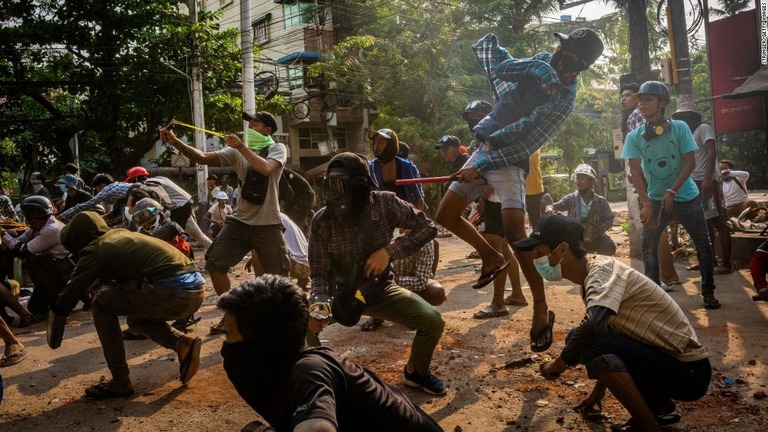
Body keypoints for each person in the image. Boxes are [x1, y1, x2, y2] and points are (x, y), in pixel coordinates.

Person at [435, 28, 604, 352]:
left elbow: (527, 141)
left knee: (517, 236)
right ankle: (490, 256)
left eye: (566, 50)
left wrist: (480, 168)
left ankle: (540, 305)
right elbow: (501, 69)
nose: (558, 51)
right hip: (483, 147)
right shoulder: (542, 62)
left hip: (511, 159)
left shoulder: (564, 99)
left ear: (578, 63)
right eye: (560, 45)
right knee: (445, 215)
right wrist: (539, 69)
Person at [515, 215, 710, 432]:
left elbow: (592, 331)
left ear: (562, 250)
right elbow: (612, 341)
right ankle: (657, 406)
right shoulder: (593, 274)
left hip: (689, 372)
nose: (538, 262)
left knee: (584, 338)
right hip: (676, 366)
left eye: (540, 254)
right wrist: (597, 394)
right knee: (588, 338)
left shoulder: (601, 273)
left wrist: (558, 364)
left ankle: (650, 427)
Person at [218, 275, 444, 431]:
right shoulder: (293, 366)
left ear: (261, 344)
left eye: (229, 335)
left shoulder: (310, 370)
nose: (225, 347)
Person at [308, 152, 446, 396]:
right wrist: (319, 304)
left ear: (360, 186)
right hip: (337, 295)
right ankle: (316, 379)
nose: (333, 194)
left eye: (339, 185)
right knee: (300, 324)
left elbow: (428, 227)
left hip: (379, 290)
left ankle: (416, 372)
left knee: (432, 320)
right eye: (329, 185)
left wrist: (388, 252)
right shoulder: (322, 220)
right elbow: (318, 273)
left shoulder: (386, 204)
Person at [48, 212, 205, 399]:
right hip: (195, 291)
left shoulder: (97, 248)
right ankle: (182, 344)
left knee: (101, 304)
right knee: (136, 320)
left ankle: (120, 380)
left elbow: (67, 298)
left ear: (78, 240)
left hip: (173, 292)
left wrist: (55, 315)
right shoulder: (121, 235)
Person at [160, 111, 290, 334]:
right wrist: (175, 141)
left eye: (256, 124)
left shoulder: (277, 149)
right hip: (239, 221)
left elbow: (266, 168)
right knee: (214, 263)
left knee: (277, 277)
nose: (250, 128)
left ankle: (277, 320)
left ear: (268, 129)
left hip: (268, 223)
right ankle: (232, 314)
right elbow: (201, 157)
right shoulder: (235, 151)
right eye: (248, 124)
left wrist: (242, 148)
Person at [622, 81, 719, 310]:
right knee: (648, 245)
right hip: (654, 199)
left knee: (703, 245)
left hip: (686, 196)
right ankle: (654, 297)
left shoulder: (680, 128)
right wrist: (646, 204)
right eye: (641, 100)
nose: (642, 104)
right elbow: (635, 172)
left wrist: (672, 191)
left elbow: (690, 162)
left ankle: (708, 293)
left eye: (649, 99)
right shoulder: (634, 136)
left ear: (663, 103)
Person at [622, 82, 681, 290]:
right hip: (653, 176)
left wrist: (636, 176)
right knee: (657, 226)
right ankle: (669, 273)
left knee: (654, 226)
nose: (625, 99)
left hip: (649, 179)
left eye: (628, 95)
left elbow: (645, 148)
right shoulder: (637, 115)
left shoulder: (638, 116)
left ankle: (665, 275)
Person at [672, 104, 733, 275]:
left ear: (692, 117)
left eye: (685, 116)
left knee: (718, 222)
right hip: (693, 182)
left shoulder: (703, 128)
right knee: (702, 223)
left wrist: (708, 178)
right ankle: (708, 261)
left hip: (706, 181)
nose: (683, 120)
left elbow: (711, 151)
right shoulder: (686, 135)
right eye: (680, 117)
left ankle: (726, 263)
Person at [1, 196, 76, 319]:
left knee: (33, 262)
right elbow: (18, 241)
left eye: (29, 218)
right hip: (53, 267)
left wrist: (3, 234)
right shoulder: (36, 227)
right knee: (33, 308)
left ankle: (56, 296)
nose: (27, 223)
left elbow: (22, 251)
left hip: (63, 268)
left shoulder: (51, 230)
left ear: (35, 217)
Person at [360, 233, 447, 331]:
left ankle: (413, 313)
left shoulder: (424, 241)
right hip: (390, 279)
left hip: (408, 282)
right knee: (370, 277)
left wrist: (395, 280)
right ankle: (377, 317)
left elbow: (421, 282)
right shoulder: (386, 230)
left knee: (436, 292)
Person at [471, 189, 528, 320]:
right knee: (504, 249)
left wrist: (483, 198)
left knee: (496, 252)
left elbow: (494, 174)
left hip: (494, 202)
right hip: (507, 200)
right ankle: (517, 295)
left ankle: (498, 303)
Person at [124, 166, 212, 250]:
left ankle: (183, 257)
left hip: (177, 209)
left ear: (136, 179)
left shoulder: (148, 185)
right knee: (199, 236)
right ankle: (215, 250)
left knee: (172, 238)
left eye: (132, 181)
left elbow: (158, 203)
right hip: (184, 205)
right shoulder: (158, 179)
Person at [545, 164, 616, 255]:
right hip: (576, 237)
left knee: (609, 246)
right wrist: (550, 208)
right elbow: (555, 206)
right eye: (578, 178)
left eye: (582, 178)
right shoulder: (571, 198)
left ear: (591, 181)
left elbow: (609, 218)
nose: (579, 181)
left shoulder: (601, 201)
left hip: (595, 237)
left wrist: (597, 231)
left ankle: (599, 264)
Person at [369, 128, 426, 210]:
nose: (376, 146)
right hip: (381, 219)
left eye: (381, 142)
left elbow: (419, 198)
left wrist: (417, 218)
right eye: (375, 142)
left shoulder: (408, 167)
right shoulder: (370, 168)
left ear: (391, 145)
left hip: (406, 217)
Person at [58, 173, 132, 221]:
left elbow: (87, 204)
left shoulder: (107, 189)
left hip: (138, 196)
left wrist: (62, 216)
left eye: (97, 189)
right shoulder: (118, 188)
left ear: (102, 185)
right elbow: (118, 213)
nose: (98, 192)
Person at [279, 167, 316, 233]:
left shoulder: (277, 172)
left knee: (291, 227)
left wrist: (287, 214)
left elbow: (289, 194)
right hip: (301, 197)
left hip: (304, 196)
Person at [525, 149, 546, 228]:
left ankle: (538, 238)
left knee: (535, 219)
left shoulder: (534, 146)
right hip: (520, 187)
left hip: (534, 189)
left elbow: (531, 159)